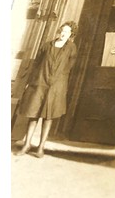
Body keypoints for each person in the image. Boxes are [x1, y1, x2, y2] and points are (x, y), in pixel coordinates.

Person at [15, 21, 78, 158]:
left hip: (56, 86)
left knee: (48, 116)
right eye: (62, 31)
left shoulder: (71, 48)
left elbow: (68, 69)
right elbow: (37, 64)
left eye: (67, 32)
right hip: (40, 83)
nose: (63, 34)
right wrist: (31, 81)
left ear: (71, 35)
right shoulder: (47, 45)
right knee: (34, 114)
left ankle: (41, 147)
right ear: (59, 31)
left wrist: (58, 83)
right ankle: (27, 144)